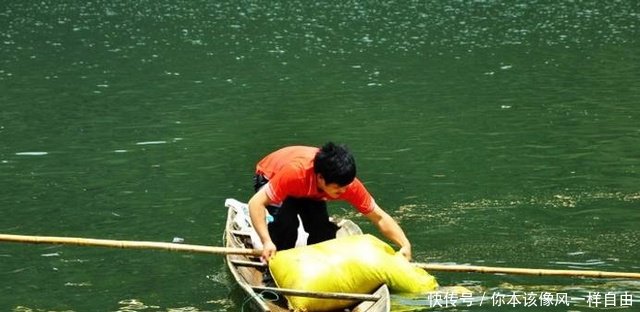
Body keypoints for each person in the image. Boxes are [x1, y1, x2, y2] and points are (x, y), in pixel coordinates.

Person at [248, 142, 412, 262]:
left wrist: (404, 244)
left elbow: (379, 217)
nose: (343, 192)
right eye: (337, 189)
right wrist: (266, 241)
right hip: (271, 175)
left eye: (345, 187)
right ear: (320, 178)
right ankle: (274, 268)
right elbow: (255, 203)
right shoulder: (295, 174)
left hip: (310, 190)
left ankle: (315, 266)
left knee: (322, 229)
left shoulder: (348, 185)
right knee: (286, 225)